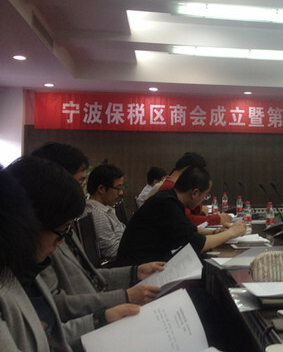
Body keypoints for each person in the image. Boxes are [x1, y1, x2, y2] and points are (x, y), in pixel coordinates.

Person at [30, 142, 164, 346]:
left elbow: (89, 275)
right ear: (55, 182)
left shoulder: (64, 226)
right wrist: (121, 299)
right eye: (80, 182)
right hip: (87, 328)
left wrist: (135, 272)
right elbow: (57, 306)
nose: (83, 191)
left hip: (100, 313)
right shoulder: (42, 239)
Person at [1, 157, 140, 351]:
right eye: (81, 182)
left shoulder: (28, 270)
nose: (62, 240)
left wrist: (102, 318)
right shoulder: (24, 269)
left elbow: (50, 335)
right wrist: (122, 296)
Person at [117, 166, 246, 266]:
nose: (203, 200)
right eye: (205, 195)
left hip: (146, 264)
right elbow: (198, 244)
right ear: (195, 193)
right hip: (138, 271)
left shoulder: (169, 198)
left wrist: (215, 232)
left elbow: (188, 230)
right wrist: (232, 233)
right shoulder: (167, 204)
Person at [146, 152, 232, 227]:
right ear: (188, 169)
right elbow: (187, 221)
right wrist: (216, 219)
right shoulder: (171, 188)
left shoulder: (173, 184)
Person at [85, 164, 127, 259]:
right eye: (118, 188)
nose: (121, 193)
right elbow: (111, 252)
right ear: (101, 189)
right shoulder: (97, 214)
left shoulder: (104, 208)